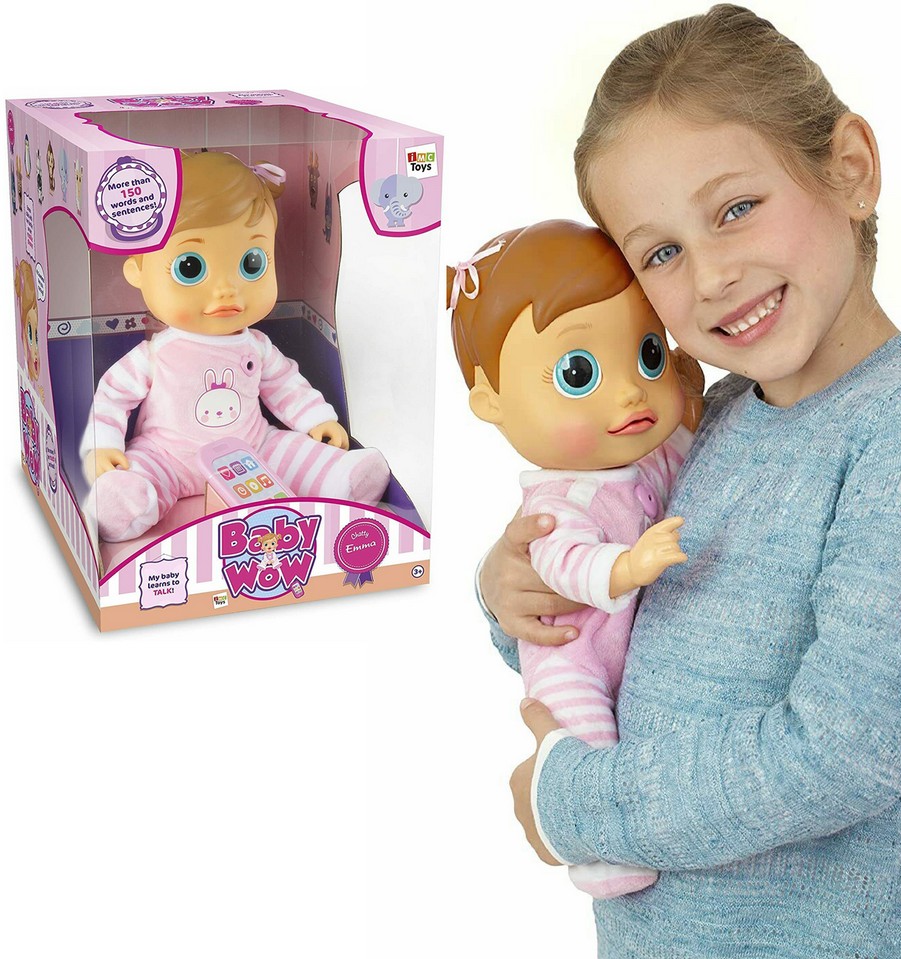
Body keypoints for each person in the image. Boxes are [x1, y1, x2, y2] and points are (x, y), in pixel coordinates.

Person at [478, 6, 901, 959]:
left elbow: (839, 753)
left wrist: (574, 805)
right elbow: (612, 625)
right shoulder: (709, 419)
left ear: (849, 169)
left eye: (735, 209)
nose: (712, 275)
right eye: (660, 254)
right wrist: (513, 590)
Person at [448, 219, 702, 897]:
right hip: (572, 655)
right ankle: (604, 860)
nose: (630, 391)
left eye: (648, 353)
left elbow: (690, 449)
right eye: (579, 372)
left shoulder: (649, 455)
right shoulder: (557, 502)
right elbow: (563, 564)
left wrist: (692, 404)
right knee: (583, 736)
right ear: (492, 402)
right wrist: (628, 567)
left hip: (628, 653)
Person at [81, 150, 390, 543]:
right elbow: (112, 396)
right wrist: (102, 446)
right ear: (137, 270)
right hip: (166, 455)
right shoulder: (157, 353)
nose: (227, 289)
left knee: (291, 449)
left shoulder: (256, 346)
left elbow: (286, 385)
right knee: (136, 475)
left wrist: (316, 420)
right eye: (190, 267)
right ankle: (122, 503)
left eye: (252, 263)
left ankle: (343, 478)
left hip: (251, 450)